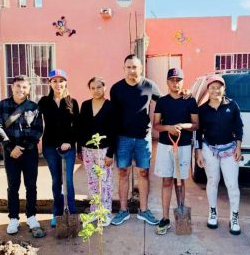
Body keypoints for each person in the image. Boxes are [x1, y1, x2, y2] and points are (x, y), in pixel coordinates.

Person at [110, 54, 161, 226]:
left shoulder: (149, 86)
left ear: (141, 68)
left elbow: (163, 103)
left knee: (143, 173)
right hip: (122, 137)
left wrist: (183, 94)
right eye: (129, 67)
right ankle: (123, 211)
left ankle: (144, 210)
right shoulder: (116, 89)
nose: (132, 70)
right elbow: (113, 116)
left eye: (135, 67)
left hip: (143, 138)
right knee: (123, 173)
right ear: (124, 68)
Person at [0, 75, 44, 237]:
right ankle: (13, 218)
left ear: (29, 89)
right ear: (12, 87)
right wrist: (9, 146)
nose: (21, 90)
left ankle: (31, 216)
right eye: (18, 86)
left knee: (31, 185)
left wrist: (22, 147)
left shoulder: (34, 107)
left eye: (24, 87)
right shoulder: (2, 106)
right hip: (10, 153)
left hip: (29, 153)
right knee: (13, 186)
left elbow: (37, 130)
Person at [195, 75, 243, 235]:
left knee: (232, 184)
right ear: (208, 90)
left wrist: (238, 147)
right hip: (210, 149)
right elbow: (198, 133)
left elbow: (239, 127)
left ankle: (234, 217)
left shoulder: (232, 105)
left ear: (224, 89)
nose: (215, 90)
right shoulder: (203, 110)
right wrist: (198, 153)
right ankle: (212, 212)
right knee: (212, 181)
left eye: (218, 87)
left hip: (229, 150)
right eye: (212, 87)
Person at [153, 68, 199, 234]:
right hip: (166, 145)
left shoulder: (190, 100)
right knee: (166, 181)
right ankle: (165, 218)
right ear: (167, 82)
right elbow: (156, 125)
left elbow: (195, 124)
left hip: (184, 146)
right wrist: (169, 128)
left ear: (183, 81)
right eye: (172, 80)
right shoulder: (162, 102)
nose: (175, 83)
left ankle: (181, 214)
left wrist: (184, 126)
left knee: (180, 182)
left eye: (178, 80)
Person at [38, 69, 80, 227]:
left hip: (68, 147)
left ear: (66, 82)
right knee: (56, 181)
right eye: (54, 81)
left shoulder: (72, 102)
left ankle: (72, 212)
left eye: (61, 80)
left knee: (68, 181)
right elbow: (34, 120)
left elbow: (77, 125)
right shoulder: (43, 102)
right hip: (50, 147)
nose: (58, 84)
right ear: (49, 83)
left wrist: (69, 141)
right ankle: (57, 213)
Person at [78, 77, 115, 226]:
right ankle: (94, 210)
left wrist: (110, 153)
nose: (96, 90)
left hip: (104, 149)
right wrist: (79, 148)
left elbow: (114, 131)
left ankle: (105, 213)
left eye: (99, 87)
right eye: (93, 88)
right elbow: (80, 127)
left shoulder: (110, 106)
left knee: (105, 182)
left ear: (104, 88)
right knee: (92, 181)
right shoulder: (85, 105)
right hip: (87, 149)